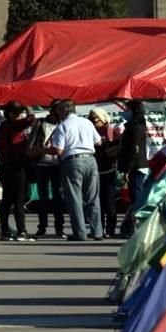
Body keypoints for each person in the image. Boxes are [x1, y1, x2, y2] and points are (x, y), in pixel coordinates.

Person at [46, 100, 103, 241]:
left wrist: (44, 150)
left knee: (74, 198)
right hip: (91, 159)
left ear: (64, 111)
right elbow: (99, 142)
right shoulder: (87, 123)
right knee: (92, 197)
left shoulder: (62, 126)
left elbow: (58, 150)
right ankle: (97, 231)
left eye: (58, 110)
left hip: (72, 161)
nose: (57, 113)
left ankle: (80, 232)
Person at [0, 101, 36, 241]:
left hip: (5, 167)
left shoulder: (3, 127)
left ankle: (5, 231)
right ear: (12, 114)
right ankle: (21, 231)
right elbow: (30, 120)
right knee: (18, 200)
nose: (22, 116)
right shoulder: (13, 126)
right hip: (17, 167)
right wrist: (29, 109)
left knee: (6, 200)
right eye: (19, 114)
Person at [27, 106, 66, 238]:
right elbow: (32, 142)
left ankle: (59, 228)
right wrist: (34, 152)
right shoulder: (41, 123)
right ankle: (42, 226)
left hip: (58, 165)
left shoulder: (64, 124)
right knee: (42, 197)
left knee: (58, 198)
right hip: (41, 164)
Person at [118, 99, 149, 237]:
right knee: (134, 197)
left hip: (136, 167)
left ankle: (135, 227)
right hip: (134, 166)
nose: (124, 112)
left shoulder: (136, 127)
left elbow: (135, 150)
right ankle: (130, 226)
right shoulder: (132, 125)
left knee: (137, 198)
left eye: (126, 109)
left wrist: (128, 170)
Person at [90, 108, 121, 237]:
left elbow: (119, 147)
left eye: (95, 119)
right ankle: (98, 228)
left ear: (102, 118)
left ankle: (110, 229)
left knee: (109, 202)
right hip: (95, 170)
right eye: (91, 119)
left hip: (109, 170)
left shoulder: (111, 130)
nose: (92, 121)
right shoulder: (90, 130)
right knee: (97, 202)